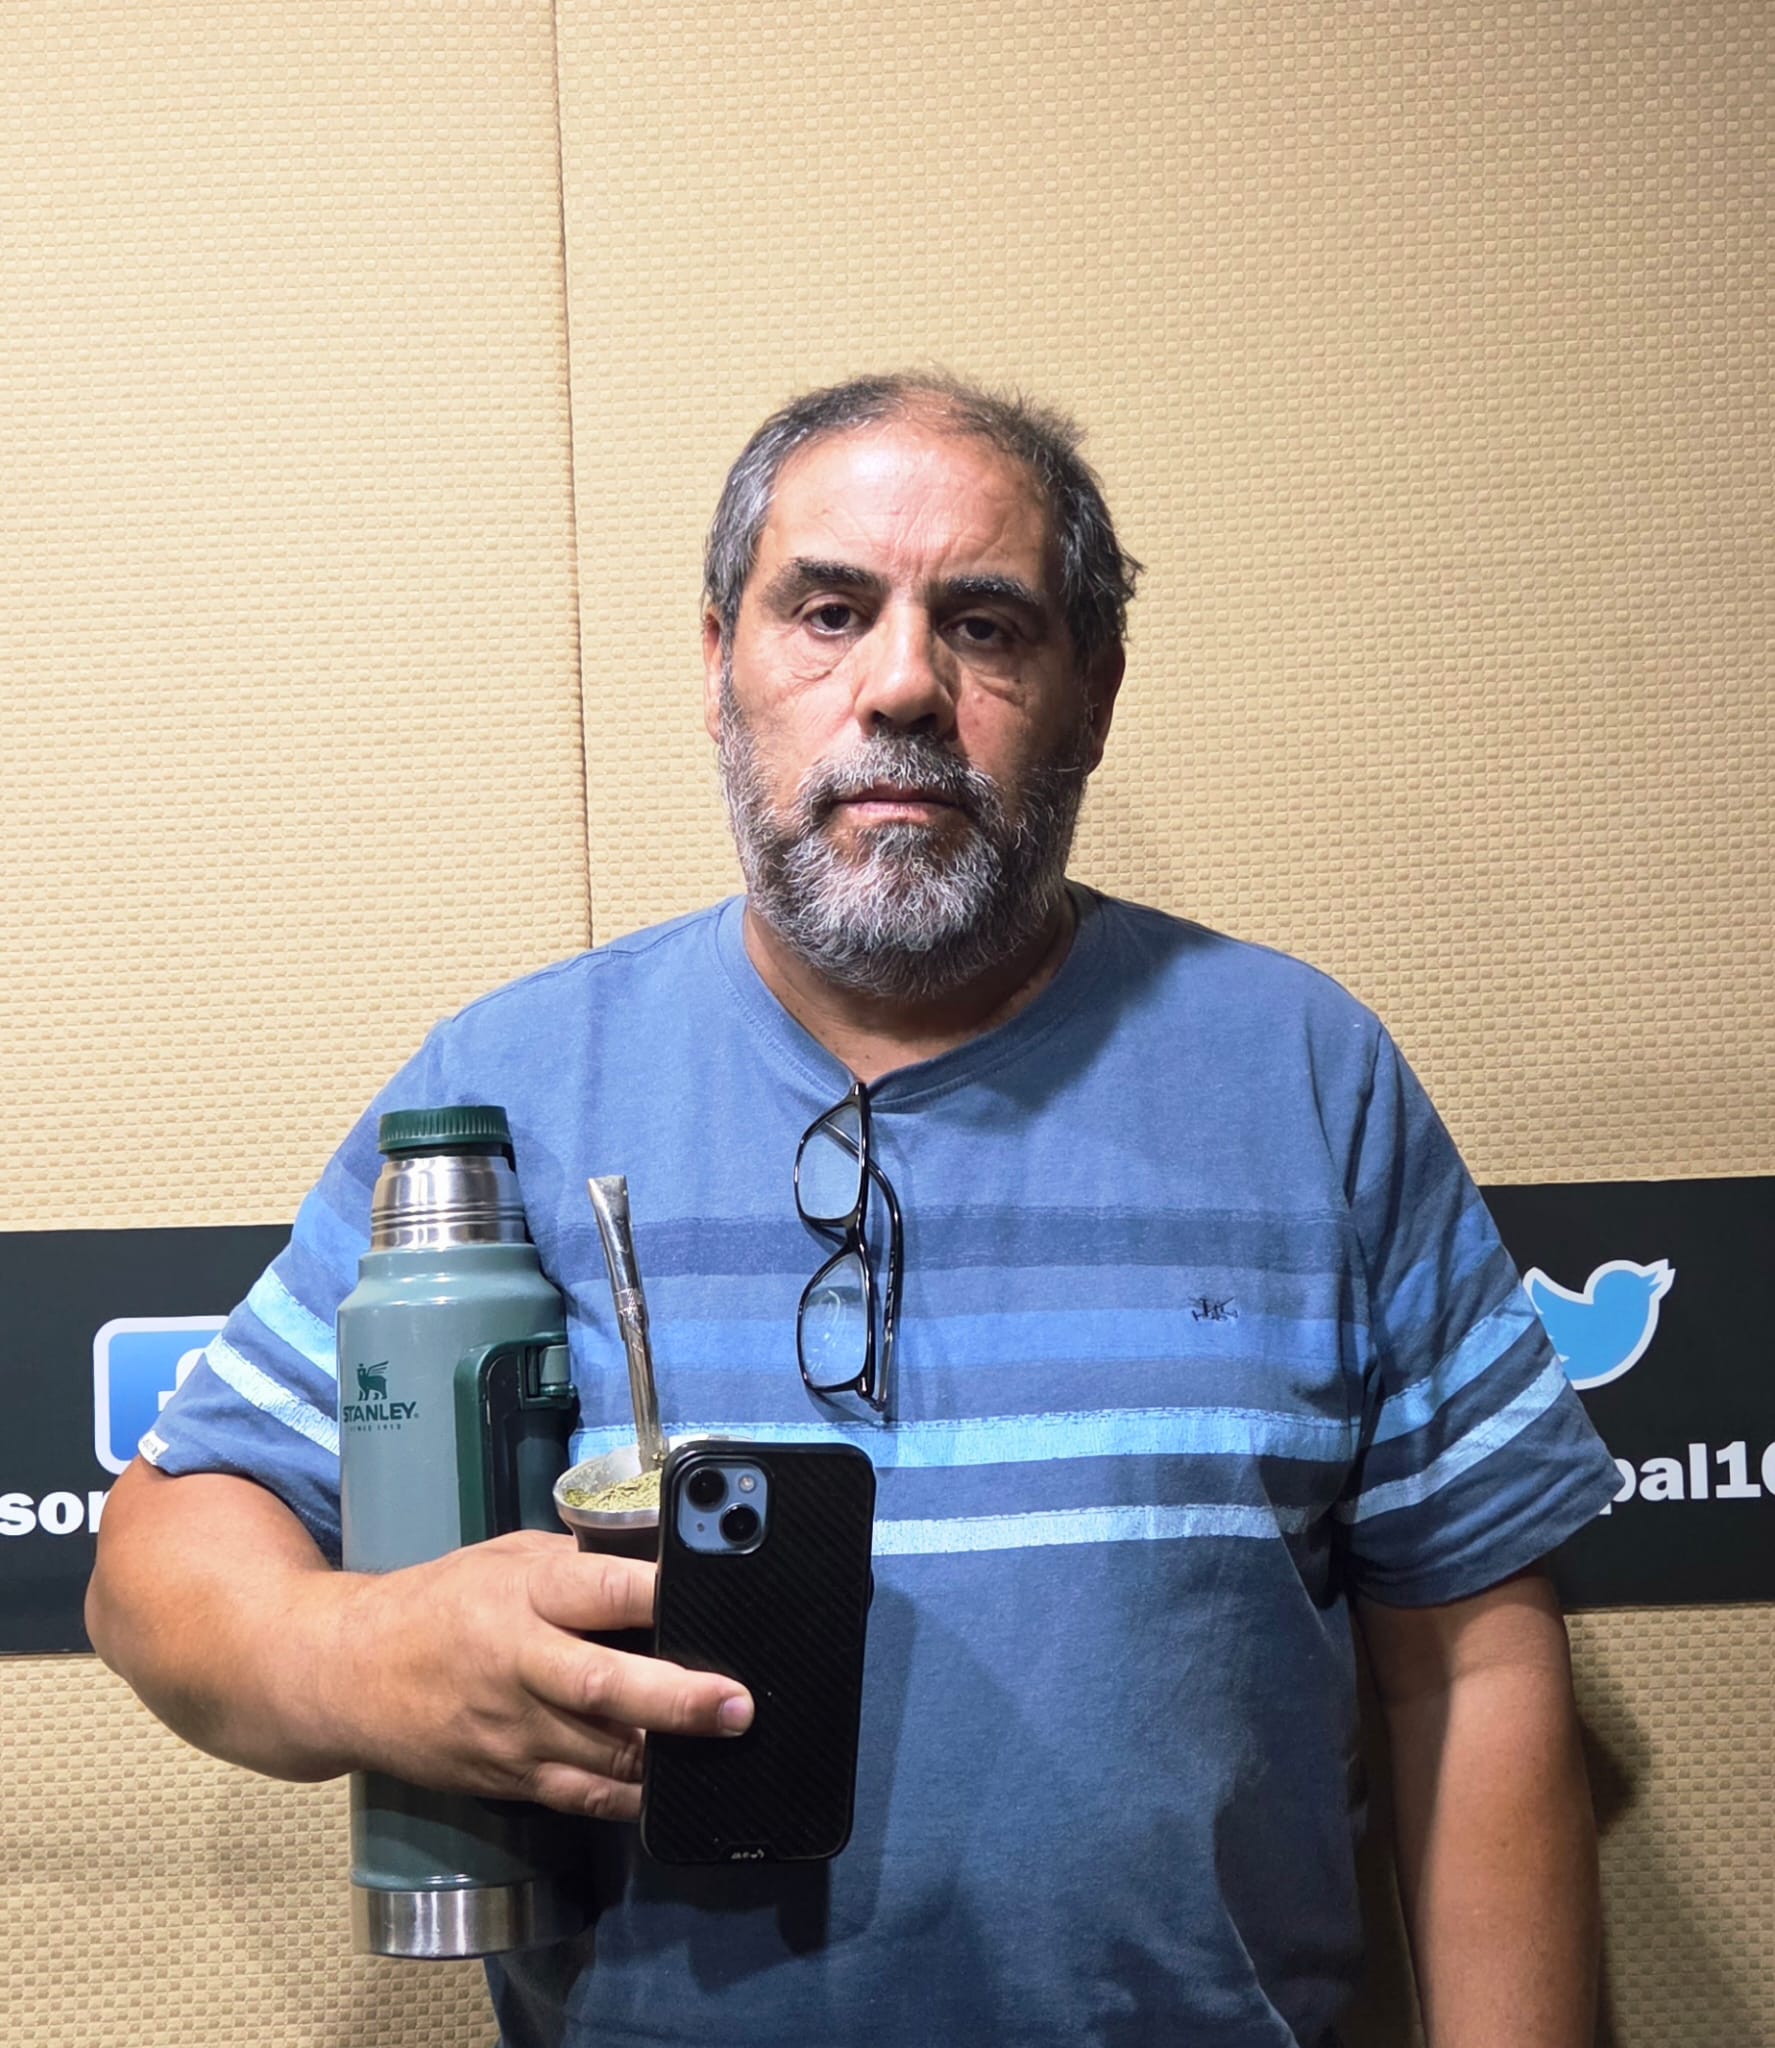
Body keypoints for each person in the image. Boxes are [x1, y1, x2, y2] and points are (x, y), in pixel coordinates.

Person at [88, 371, 1618, 2047]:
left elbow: (1473, 1670)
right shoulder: (511, 1090)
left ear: (1094, 692)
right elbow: (161, 1562)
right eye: (829, 613)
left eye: (986, 626)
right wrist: (360, 1655)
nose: (901, 684)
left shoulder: (1305, 1077)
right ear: (719, 668)